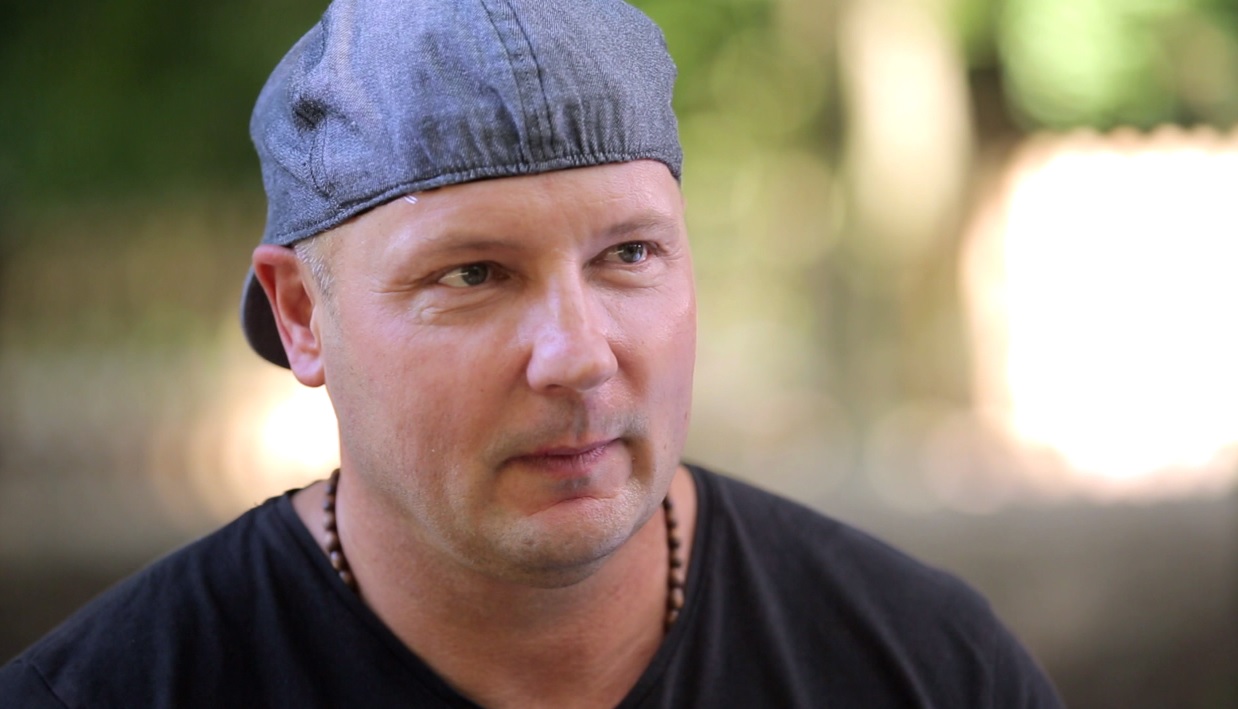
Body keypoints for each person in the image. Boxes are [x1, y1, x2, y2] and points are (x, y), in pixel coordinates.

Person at [0, 0, 1063, 706]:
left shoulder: (926, 668)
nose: (576, 356)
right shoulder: (107, 690)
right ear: (301, 316)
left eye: (628, 255)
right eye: (472, 274)